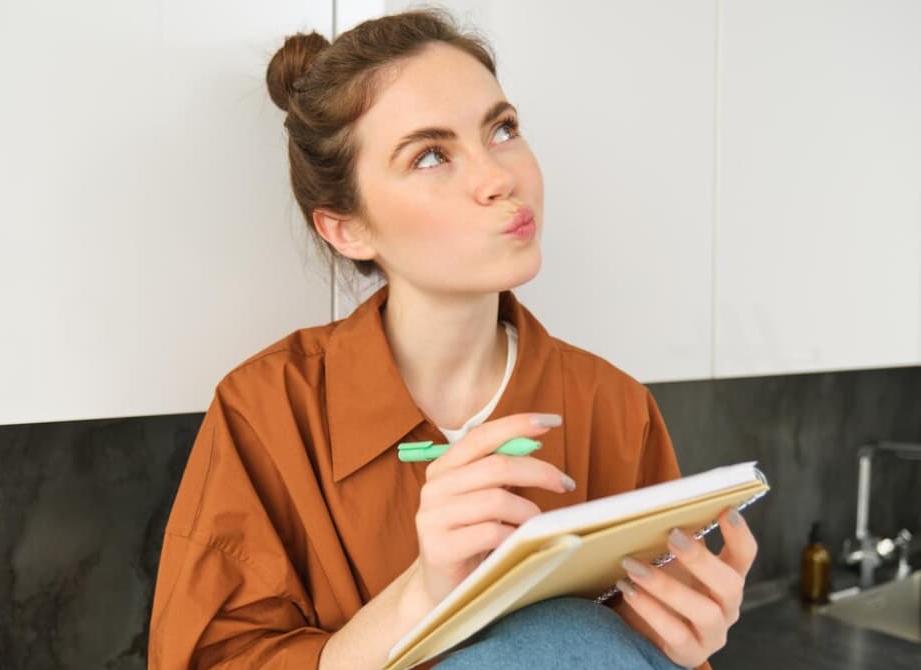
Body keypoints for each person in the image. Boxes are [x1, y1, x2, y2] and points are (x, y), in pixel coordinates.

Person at [148, 8, 757, 670]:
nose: (501, 178)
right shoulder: (265, 411)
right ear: (347, 228)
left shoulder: (614, 407)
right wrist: (421, 595)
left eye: (502, 129)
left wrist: (676, 646)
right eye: (431, 155)